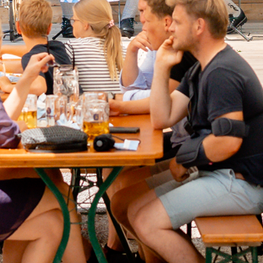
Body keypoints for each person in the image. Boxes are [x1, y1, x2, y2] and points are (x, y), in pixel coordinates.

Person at [111, 0, 263, 262]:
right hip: (219, 173)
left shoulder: (222, 72)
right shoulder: (200, 68)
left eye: (178, 22)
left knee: (147, 221)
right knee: (124, 205)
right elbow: (162, 117)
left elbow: (227, 142)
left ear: (199, 26)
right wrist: (161, 66)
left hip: (242, 181)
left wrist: (184, 158)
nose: (172, 28)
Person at [0, 0, 71, 96]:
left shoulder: (30, 57)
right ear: (49, 28)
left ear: (18, 27)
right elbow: (25, 61)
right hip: (70, 105)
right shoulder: (58, 47)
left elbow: (39, 87)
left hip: (49, 108)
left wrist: (7, 86)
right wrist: (3, 50)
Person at [65, 0, 124, 93]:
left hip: (91, 105)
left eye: (74, 20)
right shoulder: (124, 49)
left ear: (85, 25)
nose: (72, 25)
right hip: (121, 106)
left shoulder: (71, 48)